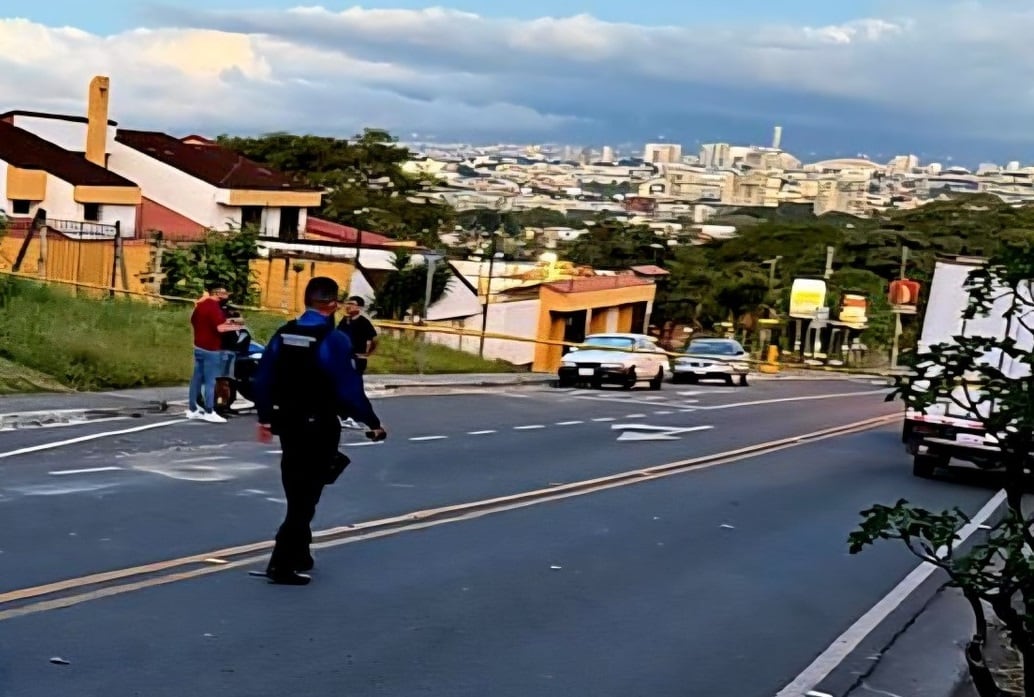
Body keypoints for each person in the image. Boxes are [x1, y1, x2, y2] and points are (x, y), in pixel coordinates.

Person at [253, 276, 388, 585]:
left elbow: (262, 378)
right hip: (319, 423)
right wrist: (372, 422)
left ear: (306, 301)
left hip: (288, 423)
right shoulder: (334, 340)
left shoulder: (284, 333)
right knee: (307, 495)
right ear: (333, 304)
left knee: (297, 488)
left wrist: (265, 417)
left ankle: (301, 552)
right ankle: (281, 564)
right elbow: (349, 388)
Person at [187, 283, 240, 423]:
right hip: (211, 349)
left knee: (196, 379)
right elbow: (220, 328)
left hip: (198, 346)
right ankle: (209, 411)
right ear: (217, 293)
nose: (226, 295)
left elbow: (192, 320)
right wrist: (237, 324)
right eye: (225, 293)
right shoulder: (214, 307)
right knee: (211, 381)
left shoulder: (200, 306)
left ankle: (193, 409)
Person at [337, 296, 378, 375]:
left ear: (360, 307)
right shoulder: (344, 320)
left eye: (352, 304)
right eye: (347, 303)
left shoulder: (364, 322)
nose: (348, 306)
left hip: (358, 359)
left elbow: (374, 339)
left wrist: (367, 353)